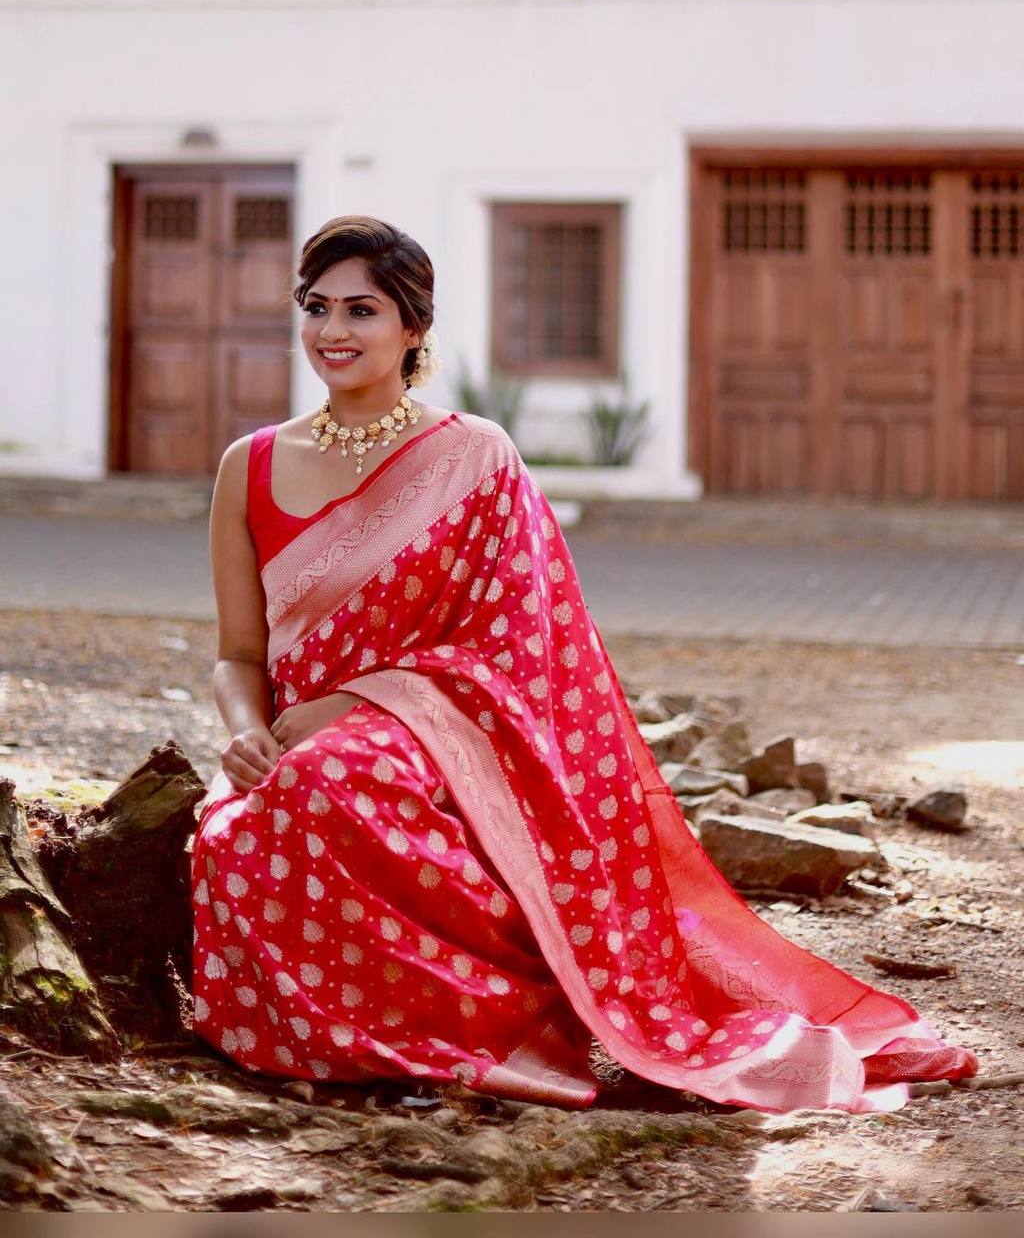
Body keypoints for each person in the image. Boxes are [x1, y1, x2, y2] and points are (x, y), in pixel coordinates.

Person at [190, 214, 977, 1114]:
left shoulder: (474, 457)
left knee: (334, 783)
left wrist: (360, 704)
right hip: (285, 735)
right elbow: (240, 653)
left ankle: (476, 1034)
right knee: (235, 830)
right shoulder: (247, 465)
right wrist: (247, 731)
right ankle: (320, 1039)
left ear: (413, 327)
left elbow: (517, 641)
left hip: (434, 734)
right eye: (316, 307)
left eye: (360, 310)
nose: (332, 331)